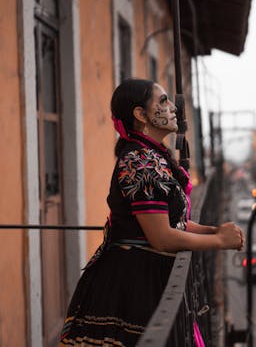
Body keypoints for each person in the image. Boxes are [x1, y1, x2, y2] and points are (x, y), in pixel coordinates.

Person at [59, 78, 245, 347]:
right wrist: (218, 241)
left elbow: (174, 222)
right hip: (134, 283)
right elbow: (162, 236)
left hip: (144, 273)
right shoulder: (141, 160)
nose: (173, 108)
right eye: (163, 101)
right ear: (140, 114)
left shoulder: (151, 156)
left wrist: (214, 230)